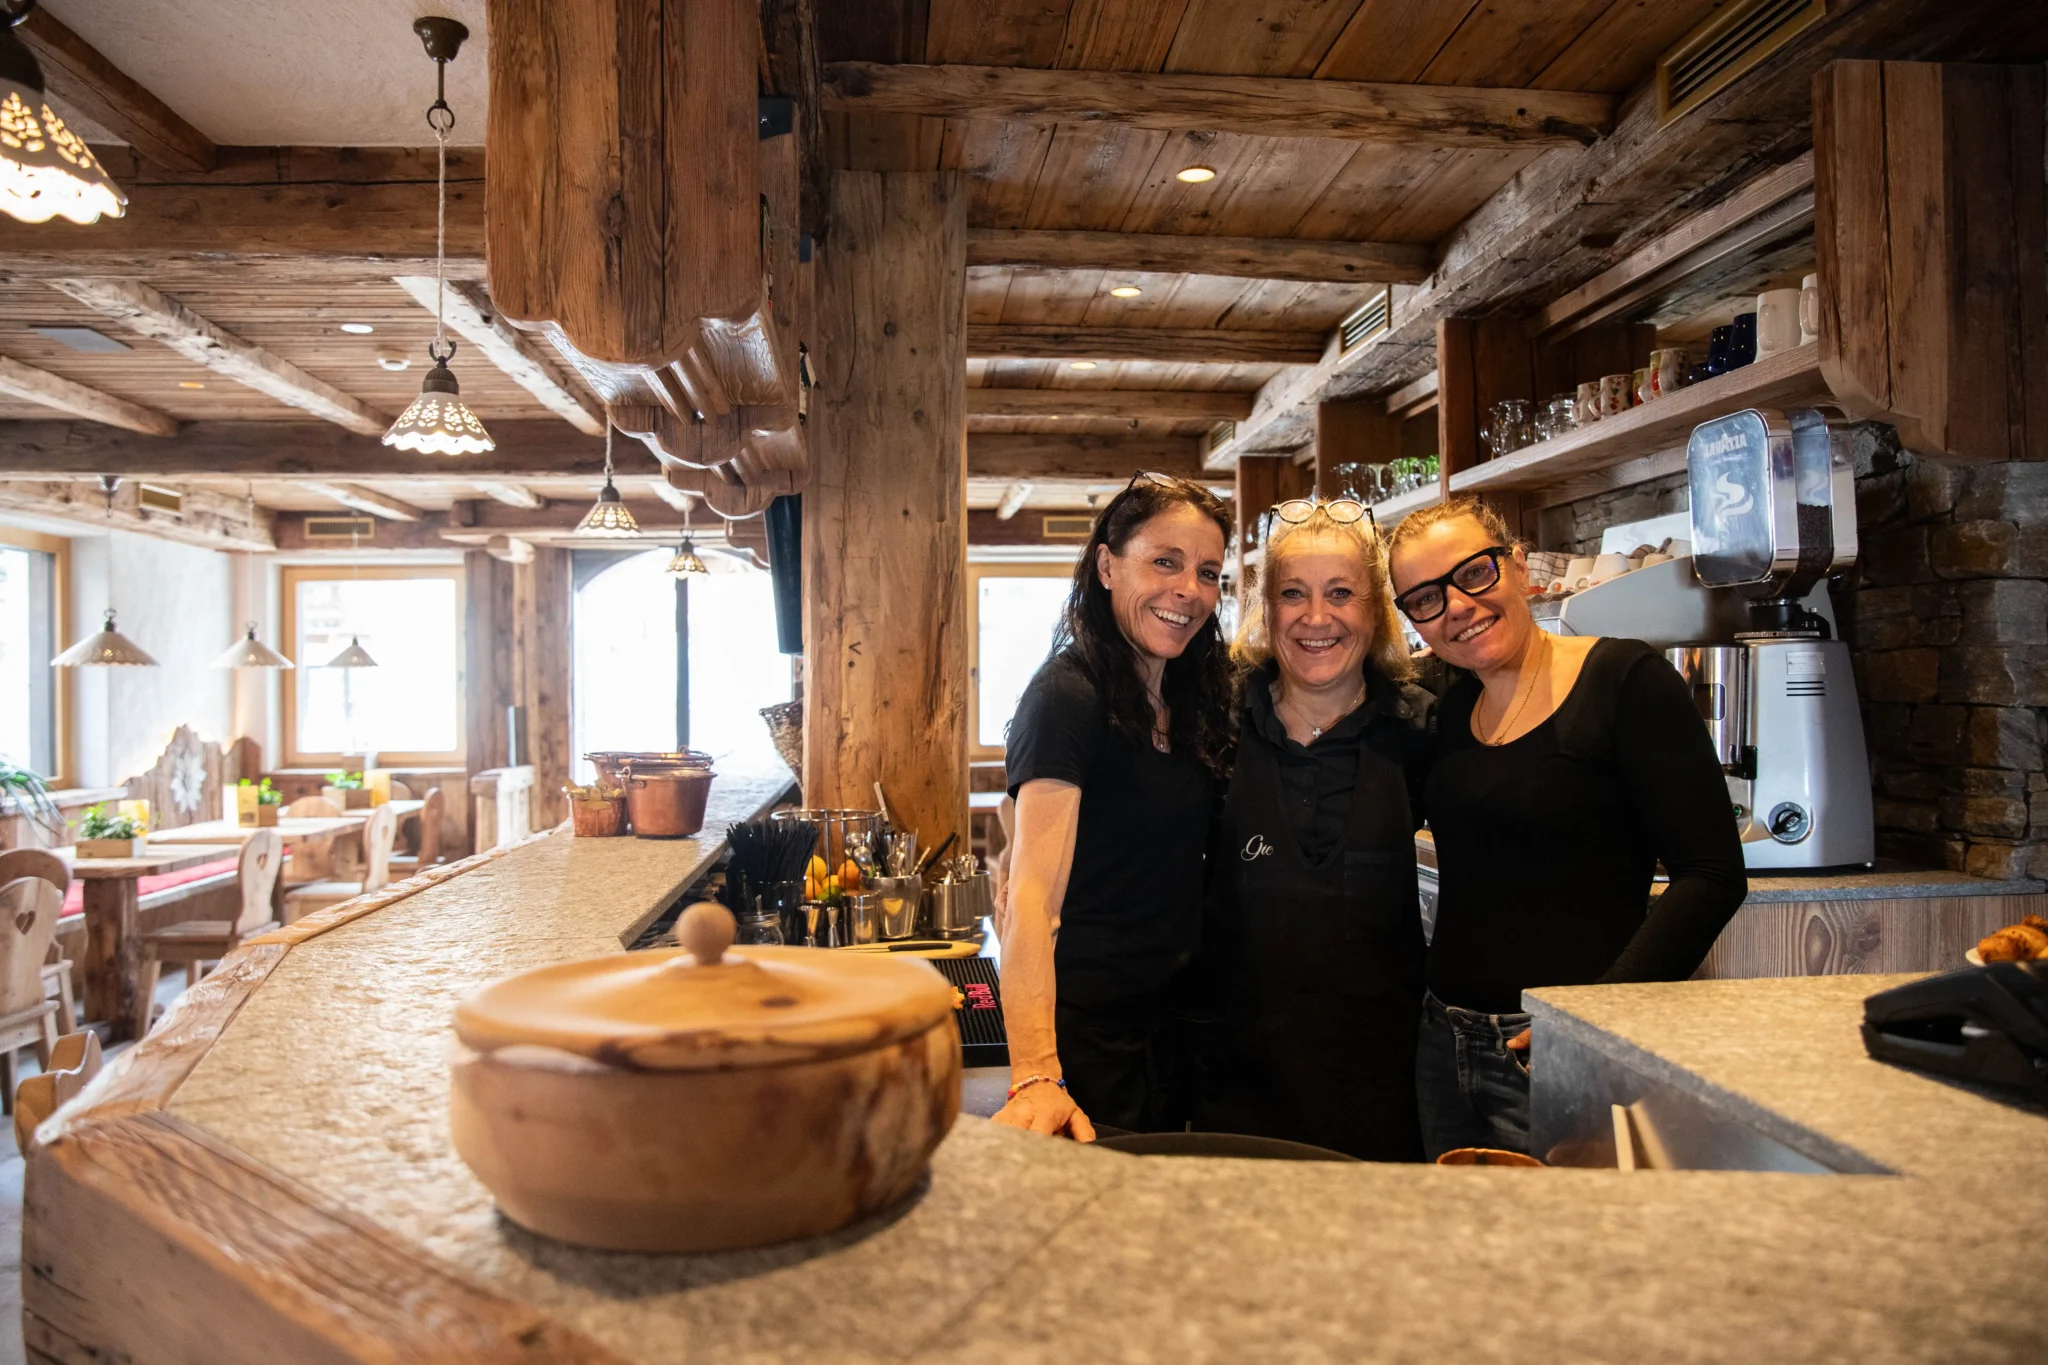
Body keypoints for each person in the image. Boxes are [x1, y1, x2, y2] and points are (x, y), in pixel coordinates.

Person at [1386, 498, 1747, 1159]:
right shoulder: (1447, 700)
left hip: (1563, 1051)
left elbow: (1713, 875)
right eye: (1425, 599)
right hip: (1444, 1044)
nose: (1458, 606)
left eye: (1473, 574)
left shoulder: (1623, 681)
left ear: (1518, 566)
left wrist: (1592, 1020)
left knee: (1564, 1254)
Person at [993, 472, 1235, 1141]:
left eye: (1208, 572)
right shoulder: (1069, 695)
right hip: (1090, 1042)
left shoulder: (1188, 693)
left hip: (1173, 1030)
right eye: (1165, 561)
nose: (1188, 590)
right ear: (1106, 564)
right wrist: (1037, 1071)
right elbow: (1031, 901)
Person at [1200, 498, 1434, 1160]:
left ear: (1375, 609)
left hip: (1382, 1101)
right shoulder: (1215, 723)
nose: (1316, 617)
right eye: (1292, 594)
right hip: (1232, 1092)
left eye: (1341, 593)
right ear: (1266, 609)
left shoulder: (1422, 730)